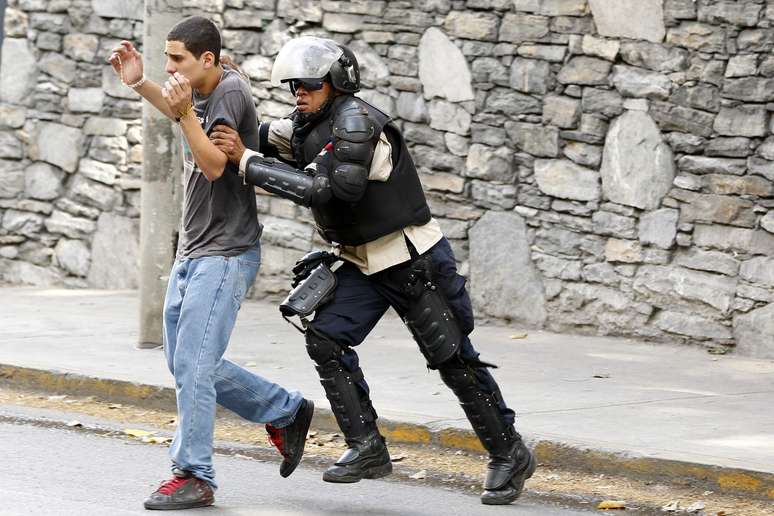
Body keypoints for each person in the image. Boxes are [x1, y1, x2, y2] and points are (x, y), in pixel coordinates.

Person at [210, 36, 535, 506]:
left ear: (336, 82)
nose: (299, 91)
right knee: (324, 335)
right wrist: (225, 85)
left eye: (309, 83)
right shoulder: (305, 123)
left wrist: (247, 163)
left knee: (453, 359)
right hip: (361, 260)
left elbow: (334, 190)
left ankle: (509, 453)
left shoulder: (357, 122)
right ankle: (366, 447)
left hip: (410, 258)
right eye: (293, 84)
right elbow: (252, 136)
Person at [107, 17, 313, 511]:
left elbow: (214, 164)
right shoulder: (202, 87)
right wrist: (140, 84)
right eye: (166, 58)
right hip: (195, 250)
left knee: (195, 368)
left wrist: (183, 116)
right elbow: (178, 108)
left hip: (225, 253)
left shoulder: (229, 94)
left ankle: (194, 474)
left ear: (207, 59)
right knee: (185, 364)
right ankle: (284, 411)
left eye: (176, 59)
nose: (170, 68)